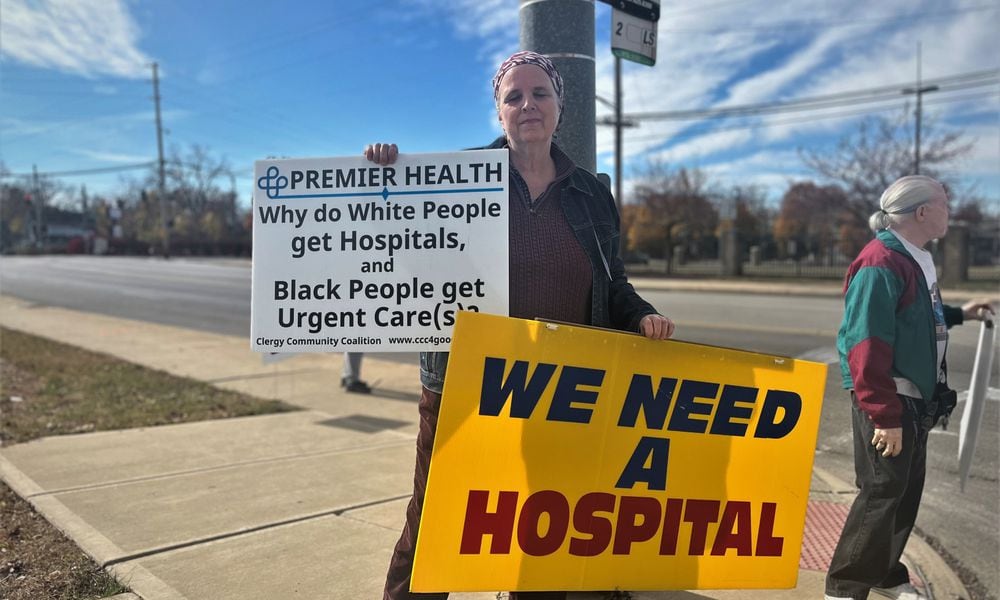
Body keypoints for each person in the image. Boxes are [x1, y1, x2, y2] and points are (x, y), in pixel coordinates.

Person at [365, 50, 675, 600]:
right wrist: (385, 180)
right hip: (465, 380)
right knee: (439, 513)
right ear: (499, 111)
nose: (527, 105)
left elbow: (612, 282)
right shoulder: (453, 179)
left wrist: (642, 314)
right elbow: (404, 253)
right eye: (514, 96)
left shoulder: (592, 193)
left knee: (543, 518)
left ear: (560, 107)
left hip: (559, 389)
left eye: (540, 94)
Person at [825, 175, 994, 600]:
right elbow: (864, 343)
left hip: (912, 399)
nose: (949, 212)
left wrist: (959, 313)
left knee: (902, 494)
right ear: (922, 212)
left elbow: (917, 314)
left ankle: (883, 572)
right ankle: (844, 589)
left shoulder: (911, 256)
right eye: (945, 204)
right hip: (888, 398)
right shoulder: (881, 260)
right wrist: (884, 415)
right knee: (882, 494)